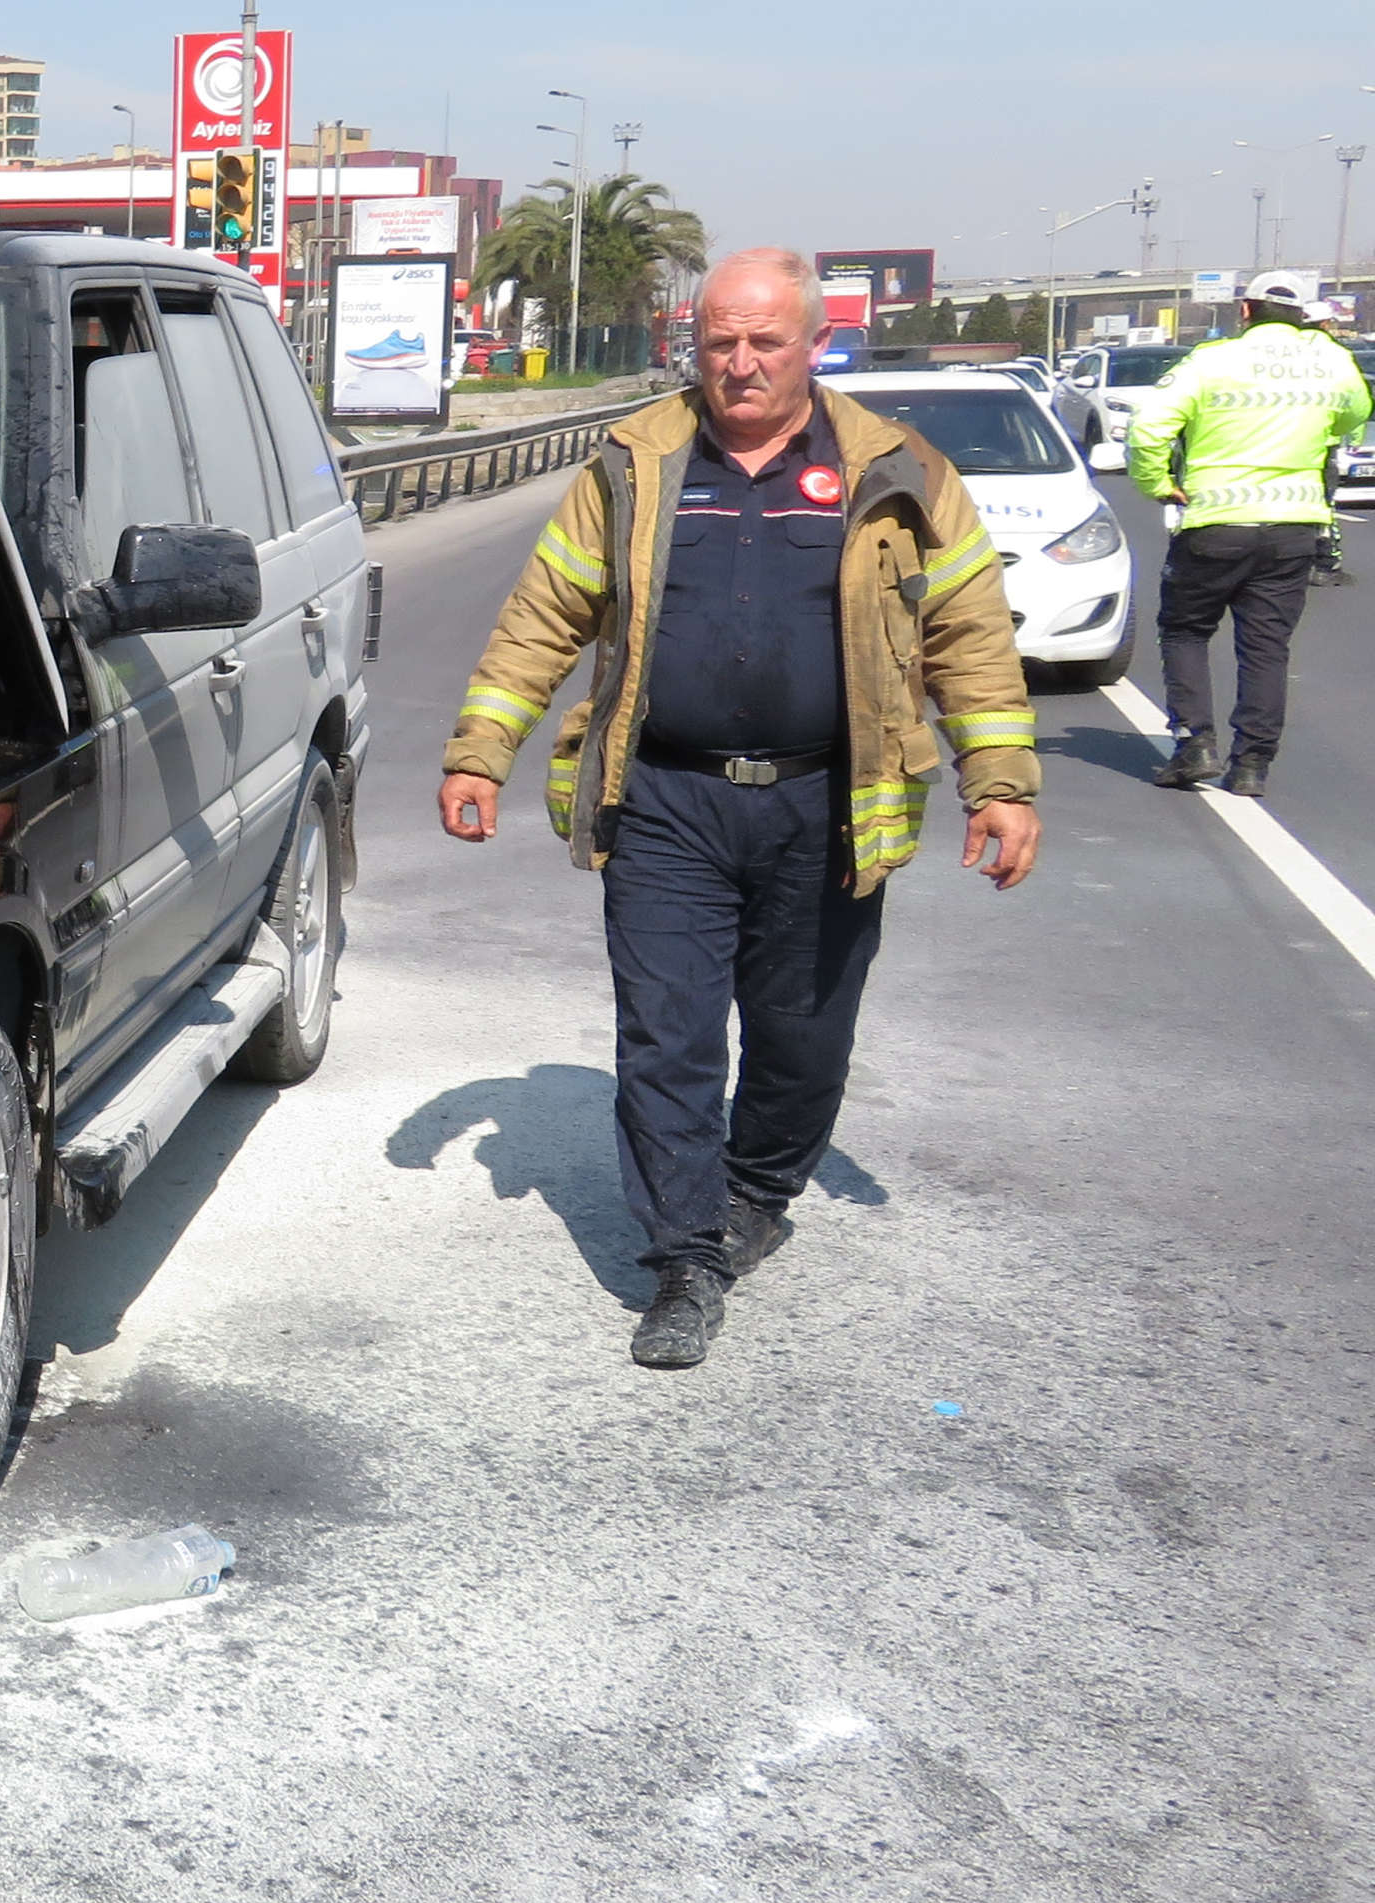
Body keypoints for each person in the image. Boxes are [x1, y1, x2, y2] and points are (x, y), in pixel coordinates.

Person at [438, 246, 1042, 1372]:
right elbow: (542, 615)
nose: (741, 361)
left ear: (814, 343)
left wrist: (997, 780)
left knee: (802, 1039)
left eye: (766, 340)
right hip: (665, 797)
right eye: (720, 339)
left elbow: (970, 633)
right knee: (663, 1035)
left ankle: (756, 1190)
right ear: (694, 343)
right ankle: (682, 1256)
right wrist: (483, 748)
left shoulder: (895, 467)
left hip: (829, 803)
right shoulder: (636, 464)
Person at [1128, 274, 1368, 797]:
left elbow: (1149, 427)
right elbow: (1357, 411)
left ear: (1244, 310)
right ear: (1302, 314)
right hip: (1293, 525)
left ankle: (1195, 743)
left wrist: (1158, 484)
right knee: (1266, 646)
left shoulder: (1212, 361)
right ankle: (1252, 764)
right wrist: (1319, 431)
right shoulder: (1329, 359)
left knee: (1186, 629)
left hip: (1215, 522)